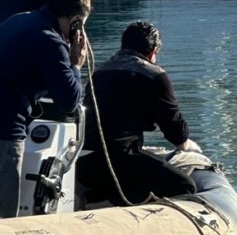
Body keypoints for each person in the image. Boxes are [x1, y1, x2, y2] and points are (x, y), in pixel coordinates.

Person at [0, 0, 89, 219]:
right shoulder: (51, 42)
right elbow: (69, 101)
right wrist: (76, 64)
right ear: (75, 21)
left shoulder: (20, 20)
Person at [77, 21, 197, 205]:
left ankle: (103, 200)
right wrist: (185, 144)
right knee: (184, 186)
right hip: (123, 159)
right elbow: (174, 129)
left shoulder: (100, 73)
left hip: (88, 164)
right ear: (153, 51)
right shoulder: (154, 75)